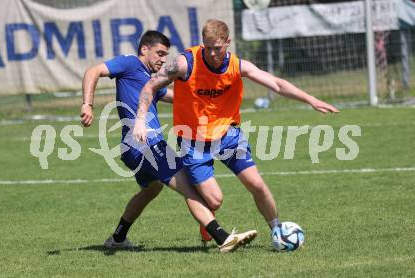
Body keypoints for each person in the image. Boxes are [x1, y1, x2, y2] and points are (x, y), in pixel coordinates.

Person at [133, 20, 339, 244]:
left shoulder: (238, 66)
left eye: (217, 48)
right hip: (193, 142)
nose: (212, 53)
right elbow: (150, 86)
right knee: (214, 201)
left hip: (228, 135)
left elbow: (277, 84)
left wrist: (310, 99)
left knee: (256, 184)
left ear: (228, 42)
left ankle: (277, 230)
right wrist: (140, 121)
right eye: (208, 47)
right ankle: (207, 222)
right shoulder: (184, 63)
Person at [80, 30, 257, 253]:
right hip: (146, 144)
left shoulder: (150, 79)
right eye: (160, 53)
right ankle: (222, 238)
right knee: (189, 188)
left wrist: (209, 101)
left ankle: (117, 238)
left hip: (134, 147)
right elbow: (92, 71)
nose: (163, 59)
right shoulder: (130, 64)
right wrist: (87, 104)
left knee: (151, 190)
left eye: (166, 55)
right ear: (144, 49)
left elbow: (176, 97)